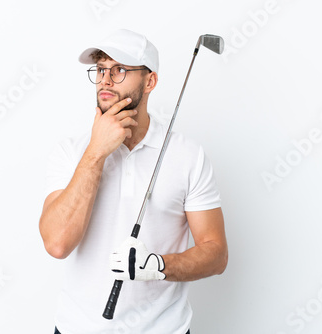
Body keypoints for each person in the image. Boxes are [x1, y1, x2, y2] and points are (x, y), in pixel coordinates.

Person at [39, 29, 228, 334]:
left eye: (120, 69)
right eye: (101, 69)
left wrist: (158, 266)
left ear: (150, 81)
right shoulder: (71, 152)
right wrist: (96, 153)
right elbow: (57, 243)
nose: (105, 80)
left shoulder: (187, 155)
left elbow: (216, 254)